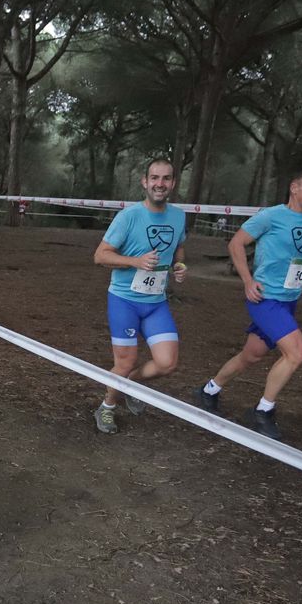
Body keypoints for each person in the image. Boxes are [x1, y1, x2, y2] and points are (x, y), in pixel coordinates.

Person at [193, 167, 302, 440]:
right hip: (265, 298)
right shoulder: (271, 216)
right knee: (296, 352)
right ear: (294, 188)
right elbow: (236, 244)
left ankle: (208, 390)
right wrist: (247, 280)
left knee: (251, 355)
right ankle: (263, 411)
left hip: (290, 299)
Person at [92, 158, 188, 435]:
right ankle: (107, 407)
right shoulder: (129, 216)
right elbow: (100, 256)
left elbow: (178, 249)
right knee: (125, 363)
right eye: (155, 178)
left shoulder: (179, 216)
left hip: (156, 303)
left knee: (167, 363)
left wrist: (180, 268)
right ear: (144, 182)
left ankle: (129, 386)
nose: (160, 184)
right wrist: (135, 261)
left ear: (173, 183)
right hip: (125, 301)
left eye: (166, 178)